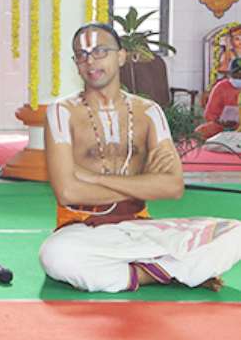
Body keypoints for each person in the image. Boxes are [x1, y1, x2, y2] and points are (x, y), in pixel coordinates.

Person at [40, 23, 241, 293]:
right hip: (82, 230)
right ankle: (166, 271)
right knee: (57, 257)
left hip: (139, 229)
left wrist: (93, 178)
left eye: (100, 51)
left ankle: (144, 267)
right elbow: (68, 191)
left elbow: (172, 187)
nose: (90, 61)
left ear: (121, 56)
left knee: (235, 233)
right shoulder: (61, 112)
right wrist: (145, 182)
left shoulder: (148, 112)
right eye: (81, 54)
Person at [196, 57, 241, 140]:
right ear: (229, 74)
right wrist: (221, 122)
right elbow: (209, 114)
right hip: (221, 127)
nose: (239, 77)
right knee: (199, 132)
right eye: (236, 75)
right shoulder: (220, 87)